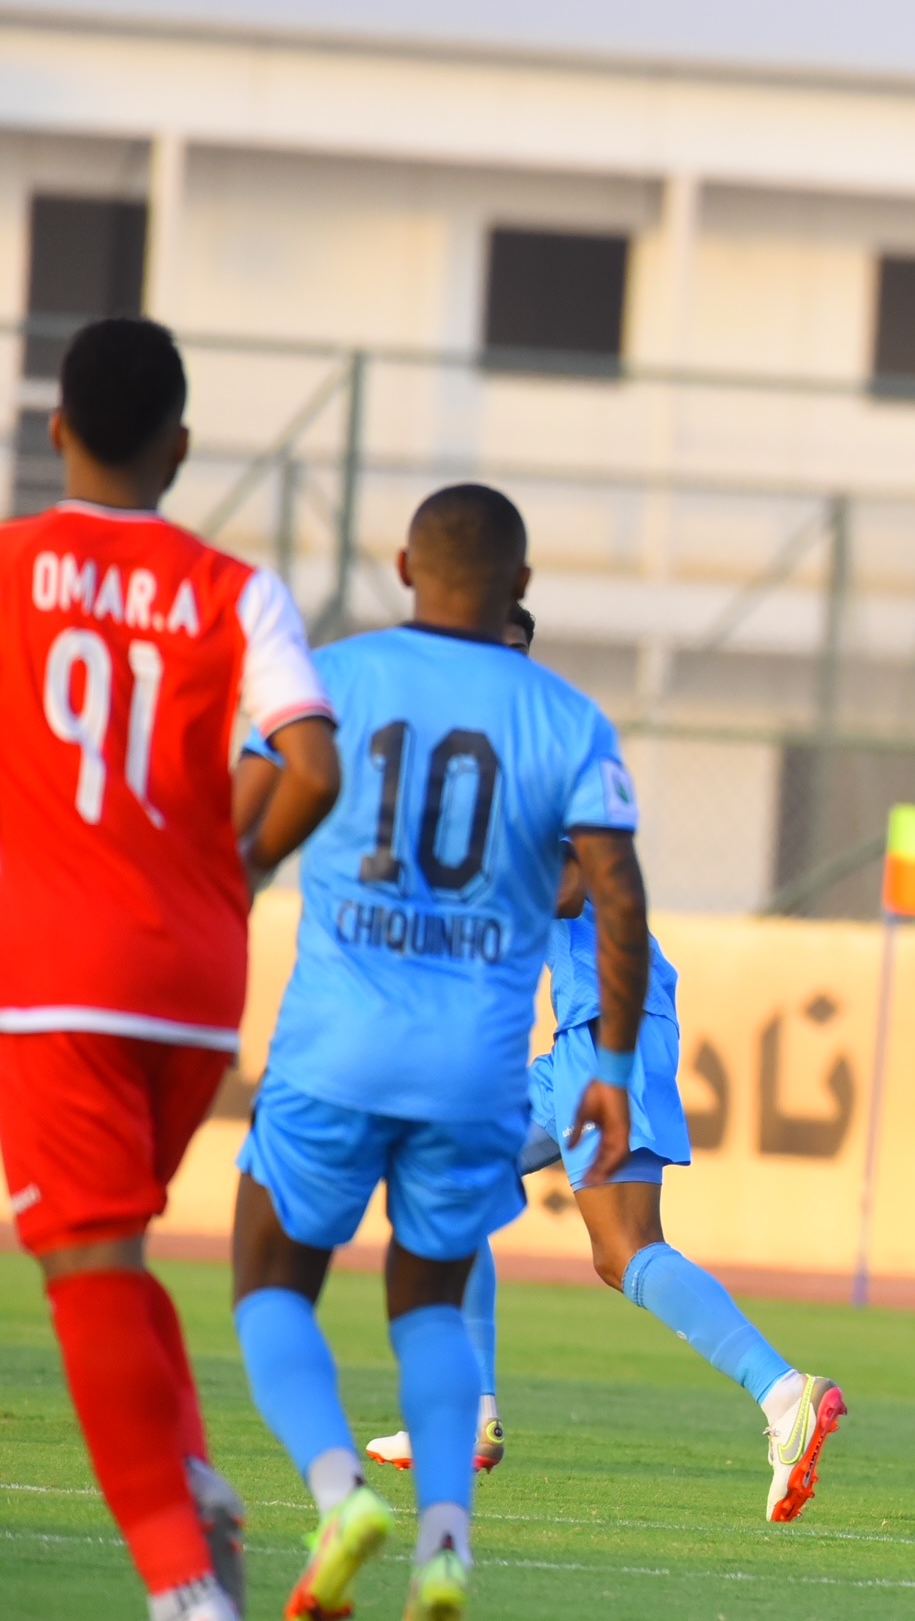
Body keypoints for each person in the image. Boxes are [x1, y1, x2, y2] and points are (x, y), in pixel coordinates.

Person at [228, 485, 649, 1621]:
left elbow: (239, 832)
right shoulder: (567, 718)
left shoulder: (333, 682)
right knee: (431, 1297)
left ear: (405, 564)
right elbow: (616, 893)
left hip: (335, 1048)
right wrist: (608, 1067)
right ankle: (446, 1549)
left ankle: (336, 1494)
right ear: (520, 587)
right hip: (474, 1070)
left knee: (269, 1280)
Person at [324, 606, 845, 1520]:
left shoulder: (530, 743)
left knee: (623, 1249)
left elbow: (571, 879)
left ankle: (783, 1394)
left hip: (612, 1013)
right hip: (584, 1021)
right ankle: (468, 1416)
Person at [0, 317, 339, 1621]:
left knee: (82, 1271)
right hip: (195, 985)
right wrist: (239, 873)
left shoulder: (16, 567)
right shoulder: (238, 589)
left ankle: (181, 1591)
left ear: (56, 430)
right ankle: (189, 1474)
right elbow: (309, 764)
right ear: (182, 446)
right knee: (117, 1250)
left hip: (54, 978)